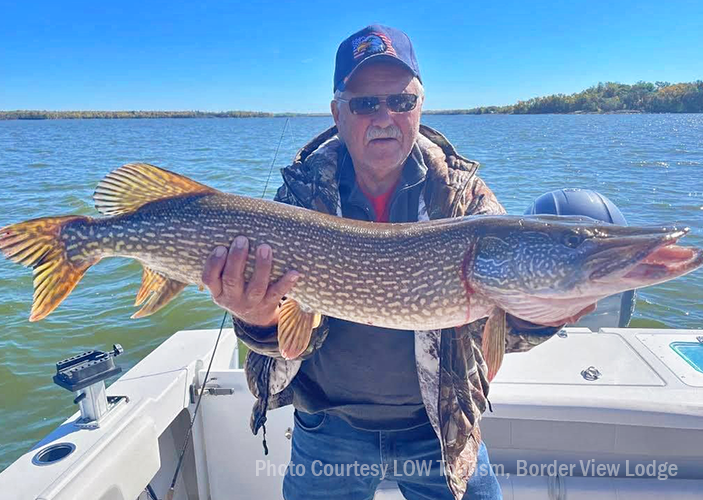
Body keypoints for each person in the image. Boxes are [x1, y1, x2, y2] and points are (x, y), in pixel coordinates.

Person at [202, 24, 594, 500]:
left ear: (420, 107)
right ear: (337, 114)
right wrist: (256, 318)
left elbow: (499, 334)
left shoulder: (463, 199)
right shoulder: (301, 198)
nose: (384, 116)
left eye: (401, 101)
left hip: (438, 427)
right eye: (366, 103)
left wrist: (539, 317)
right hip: (328, 428)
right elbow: (287, 337)